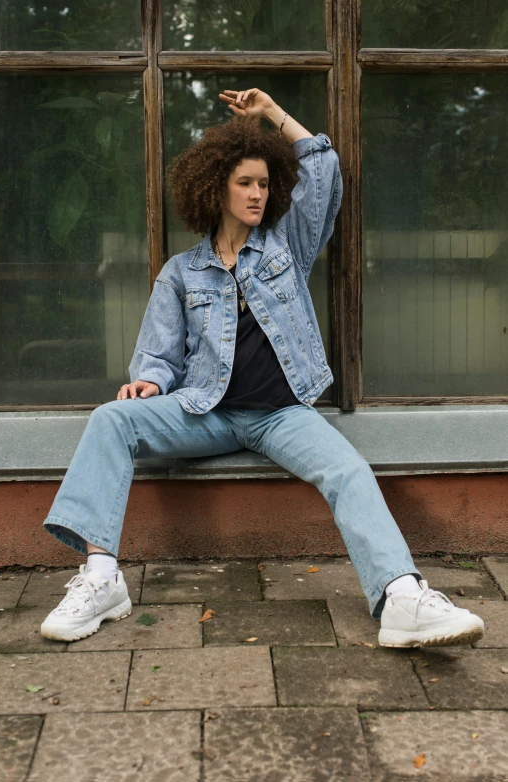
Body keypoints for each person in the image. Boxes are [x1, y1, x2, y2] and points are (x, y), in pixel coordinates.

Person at [40, 88, 484, 649]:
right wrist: (150, 381)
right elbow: (159, 353)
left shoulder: (285, 246)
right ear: (216, 187)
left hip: (280, 414)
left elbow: (322, 168)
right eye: (244, 183)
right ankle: (102, 580)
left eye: (264, 183)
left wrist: (272, 115)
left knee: (348, 471)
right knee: (111, 419)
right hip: (208, 412)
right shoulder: (182, 273)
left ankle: (402, 598)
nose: (256, 193)